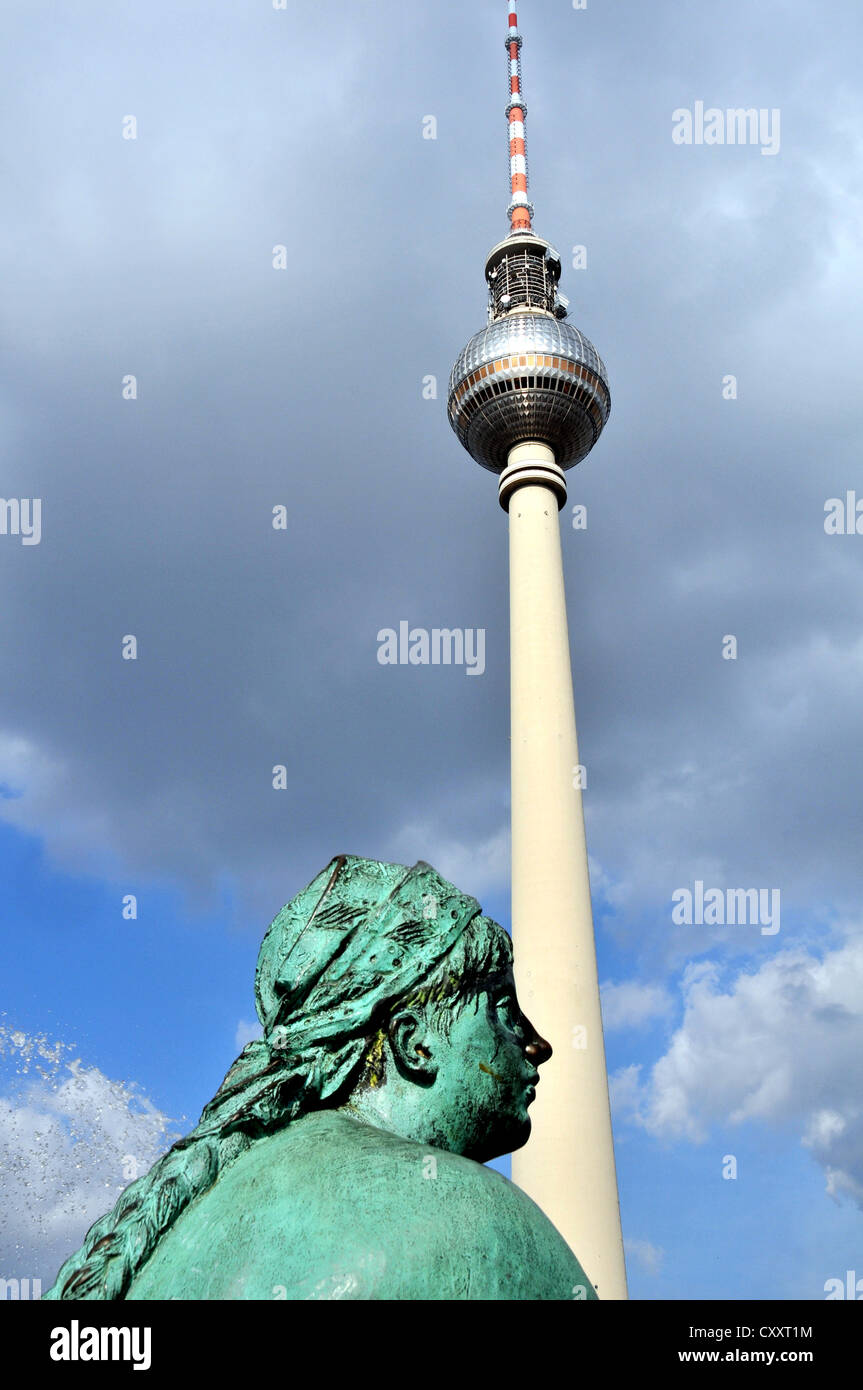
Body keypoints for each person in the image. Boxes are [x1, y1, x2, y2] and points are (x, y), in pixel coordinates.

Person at [45, 854, 596, 1300]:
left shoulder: (194, 1218)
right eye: (502, 1009)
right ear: (414, 1043)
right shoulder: (478, 1227)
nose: (538, 1044)